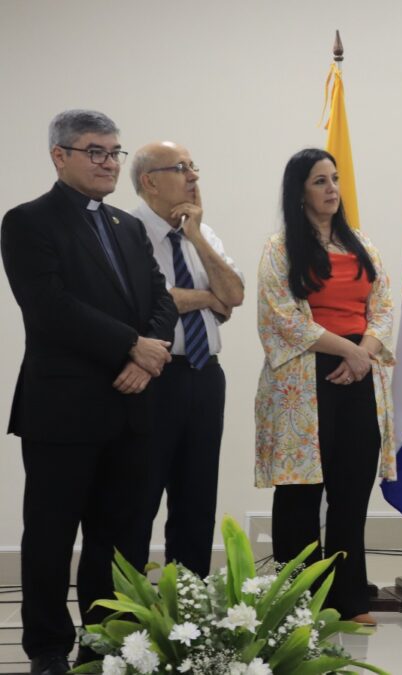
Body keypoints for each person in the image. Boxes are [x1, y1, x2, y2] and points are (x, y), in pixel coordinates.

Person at [1, 110, 178, 675]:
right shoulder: (27, 222)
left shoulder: (128, 226)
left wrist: (147, 360)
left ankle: (106, 640)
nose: (108, 163)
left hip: (132, 404)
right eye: (95, 152)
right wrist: (133, 346)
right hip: (64, 408)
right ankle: (48, 648)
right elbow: (50, 308)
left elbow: (162, 299)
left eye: (114, 152)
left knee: (120, 536)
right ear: (60, 156)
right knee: (52, 534)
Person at [254, 148, 395, 626]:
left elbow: (383, 307)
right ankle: (296, 605)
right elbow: (283, 317)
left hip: (358, 378)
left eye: (334, 179)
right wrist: (347, 350)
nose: (332, 188)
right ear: (299, 191)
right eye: (320, 181)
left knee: (351, 494)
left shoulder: (362, 247)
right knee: (300, 496)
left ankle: (349, 599)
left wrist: (365, 352)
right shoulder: (280, 249)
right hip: (304, 379)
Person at [129, 141, 244, 577]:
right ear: (150, 181)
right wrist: (206, 298)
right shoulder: (127, 231)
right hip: (153, 375)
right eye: (182, 168)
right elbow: (149, 303)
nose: (194, 176)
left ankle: (189, 609)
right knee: (138, 499)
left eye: (194, 167)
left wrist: (195, 235)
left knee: (197, 499)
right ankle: (127, 615)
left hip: (204, 375)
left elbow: (234, 295)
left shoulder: (202, 232)